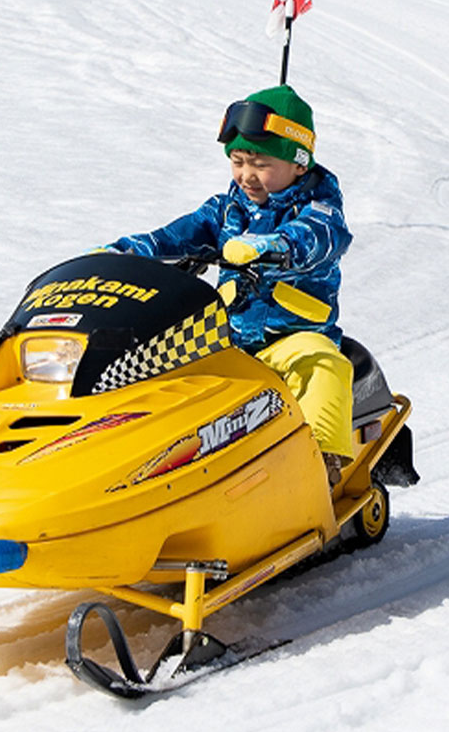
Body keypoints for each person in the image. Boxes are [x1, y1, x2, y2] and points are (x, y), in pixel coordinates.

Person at [108, 85, 357, 477]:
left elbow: (316, 238)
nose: (246, 175)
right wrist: (121, 256)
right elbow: (173, 237)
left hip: (293, 337)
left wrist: (270, 246)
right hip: (228, 338)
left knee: (322, 366)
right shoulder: (226, 209)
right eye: (238, 161)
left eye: (260, 163)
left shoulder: (320, 210)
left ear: (299, 163)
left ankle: (319, 465)